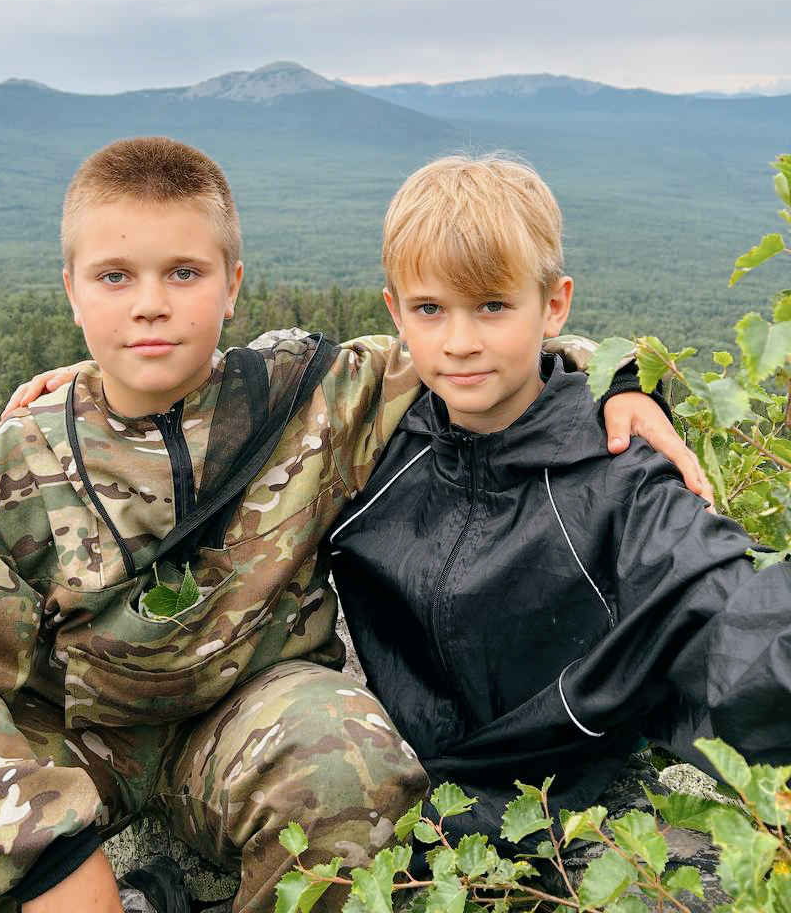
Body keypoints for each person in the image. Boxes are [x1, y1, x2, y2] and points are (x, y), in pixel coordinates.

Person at [0, 137, 699, 913]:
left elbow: (495, 339)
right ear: (72, 291)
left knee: (351, 773)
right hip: (63, 738)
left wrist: (630, 385)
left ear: (232, 285)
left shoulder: (308, 396)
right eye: (114, 277)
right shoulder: (20, 462)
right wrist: (49, 846)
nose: (150, 306)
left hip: (242, 718)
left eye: (184, 273)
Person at [329, 154, 791, 842]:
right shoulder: (366, 439)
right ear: (396, 313)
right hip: (397, 783)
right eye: (431, 309)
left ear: (554, 304)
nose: (459, 342)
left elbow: (716, 590)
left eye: (492, 306)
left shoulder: (611, 462)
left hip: (550, 797)